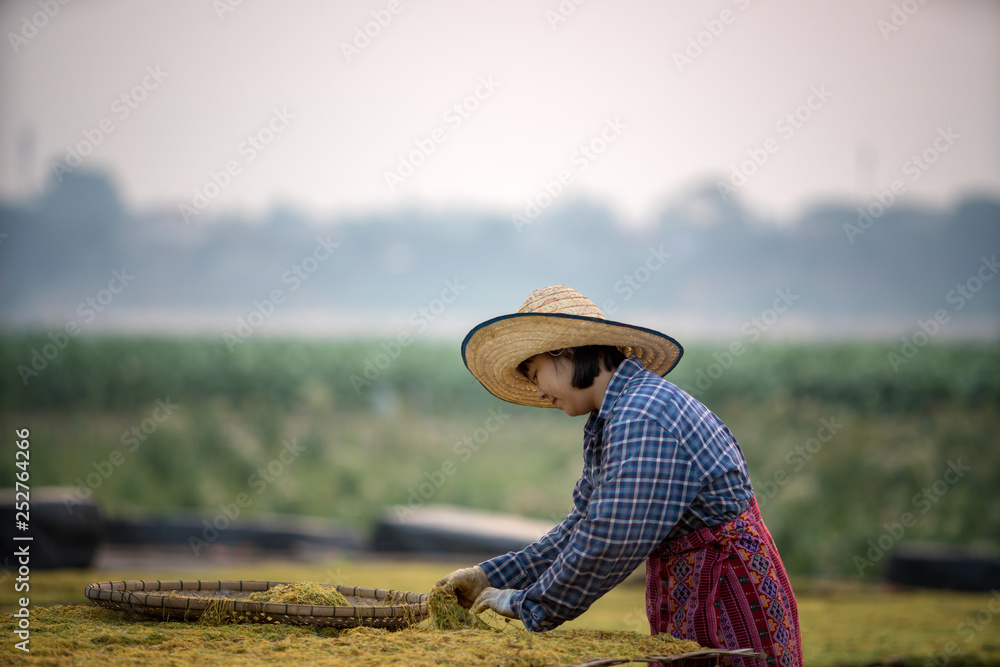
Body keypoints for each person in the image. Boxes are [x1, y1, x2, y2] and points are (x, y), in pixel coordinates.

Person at [434, 285, 803, 667]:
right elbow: (579, 528)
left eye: (535, 374)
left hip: (727, 605)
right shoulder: (617, 415)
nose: (539, 392)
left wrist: (525, 602)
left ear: (565, 352)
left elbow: (608, 539)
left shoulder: (642, 418)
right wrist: (489, 576)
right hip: (693, 594)